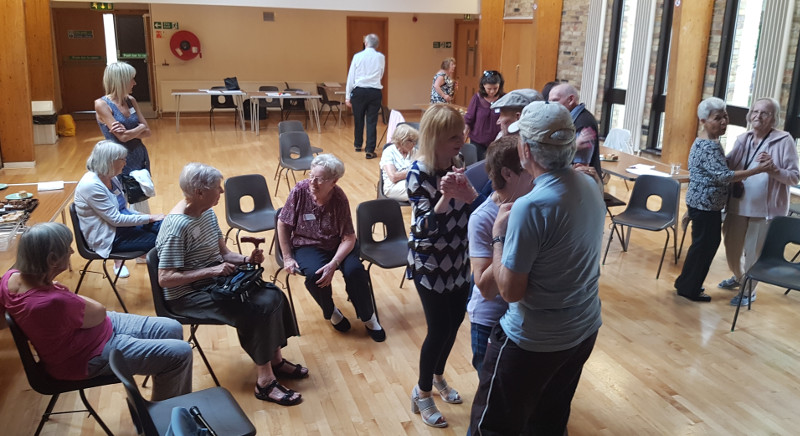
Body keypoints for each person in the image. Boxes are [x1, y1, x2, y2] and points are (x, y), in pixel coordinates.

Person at [469, 101, 605, 435]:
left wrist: (499, 237)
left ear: (525, 150)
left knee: (494, 426)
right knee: (549, 420)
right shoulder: (589, 184)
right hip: (583, 329)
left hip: (533, 341)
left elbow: (509, 291)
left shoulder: (531, 206)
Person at [156, 163, 306, 406]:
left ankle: (276, 361)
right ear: (200, 192)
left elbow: (224, 254)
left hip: (213, 282)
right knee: (255, 309)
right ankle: (265, 383)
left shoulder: (206, 212)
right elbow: (165, 278)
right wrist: (212, 270)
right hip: (187, 295)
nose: (223, 192)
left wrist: (247, 258)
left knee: (273, 294)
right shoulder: (177, 227)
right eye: (218, 188)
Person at [0, 223, 192, 401]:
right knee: (181, 354)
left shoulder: (10, 278)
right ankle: (163, 421)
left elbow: (2, 321)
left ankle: (159, 408)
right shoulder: (52, 300)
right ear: (51, 260)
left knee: (171, 327)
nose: (72, 251)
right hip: (84, 358)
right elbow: (99, 312)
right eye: (67, 249)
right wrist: (61, 290)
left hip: (94, 333)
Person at [407, 104, 480, 428]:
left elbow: (472, 212)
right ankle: (421, 393)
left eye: (461, 135)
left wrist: (467, 195)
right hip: (430, 263)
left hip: (458, 260)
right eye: (453, 137)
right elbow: (423, 226)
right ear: (435, 138)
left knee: (454, 324)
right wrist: (446, 197)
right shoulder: (418, 173)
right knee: (438, 329)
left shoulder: (458, 163)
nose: (461, 142)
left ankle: (437, 376)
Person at [277, 154, 385, 342]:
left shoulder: (339, 198)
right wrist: (287, 257)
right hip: (307, 243)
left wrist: (334, 263)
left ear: (333, 181)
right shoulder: (300, 191)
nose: (313, 181)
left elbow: (349, 237)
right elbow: (283, 223)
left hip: (338, 243)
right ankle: (331, 311)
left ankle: (368, 317)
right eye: (311, 175)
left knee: (355, 271)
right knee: (315, 275)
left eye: (319, 179)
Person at [674, 98, 773, 302]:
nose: (723, 122)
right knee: (705, 245)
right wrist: (758, 170)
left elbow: (719, 169)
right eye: (717, 118)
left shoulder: (710, 142)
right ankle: (689, 288)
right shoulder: (708, 146)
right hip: (705, 205)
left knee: (702, 245)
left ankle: (685, 283)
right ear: (703, 120)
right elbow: (724, 176)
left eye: (725, 116)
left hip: (703, 203)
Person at [720, 97, 800, 306]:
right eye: (755, 112)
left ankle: (748, 290)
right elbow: (728, 163)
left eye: (764, 113)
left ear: (774, 118)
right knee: (731, 248)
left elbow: (793, 176)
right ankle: (740, 278)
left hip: (764, 210)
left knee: (753, 253)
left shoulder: (784, 140)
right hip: (737, 203)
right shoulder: (743, 138)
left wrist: (774, 170)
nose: (758, 116)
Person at [467, 135, 533, 374]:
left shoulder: (530, 204)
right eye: (529, 171)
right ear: (507, 174)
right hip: (490, 320)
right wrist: (501, 237)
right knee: (491, 394)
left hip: (523, 318)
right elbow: (485, 289)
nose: (537, 178)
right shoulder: (483, 218)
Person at [74, 140, 164, 279]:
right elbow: (115, 219)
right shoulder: (91, 185)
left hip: (123, 227)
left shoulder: (112, 178)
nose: (125, 163)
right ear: (110, 162)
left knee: (166, 228)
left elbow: (122, 209)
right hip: (109, 237)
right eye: (122, 159)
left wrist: (145, 218)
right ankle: (168, 281)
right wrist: (150, 218)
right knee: (161, 242)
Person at [95, 62, 153, 213]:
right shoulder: (102, 104)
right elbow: (123, 138)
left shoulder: (131, 100)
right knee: (121, 199)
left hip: (138, 155)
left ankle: (142, 227)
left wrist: (135, 130)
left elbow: (147, 131)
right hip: (118, 159)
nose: (134, 83)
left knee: (139, 197)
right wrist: (139, 128)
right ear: (121, 81)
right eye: (131, 79)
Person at [548, 82, 603, 178]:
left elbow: (582, 170)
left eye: (555, 100)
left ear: (571, 100)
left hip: (581, 186)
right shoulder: (568, 119)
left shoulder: (583, 124)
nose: (550, 105)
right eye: (549, 101)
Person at [345, 33, 385, 160]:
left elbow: (351, 76)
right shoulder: (381, 57)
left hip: (359, 91)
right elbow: (381, 73)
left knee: (358, 118)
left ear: (365, 43)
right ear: (377, 45)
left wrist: (347, 96)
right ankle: (369, 149)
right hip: (375, 91)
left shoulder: (358, 56)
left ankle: (358, 144)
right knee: (372, 121)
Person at [464, 70, 505, 160]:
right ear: (483, 86)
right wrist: (463, 136)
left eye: (495, 88)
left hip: (497, 143)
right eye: (489, 89)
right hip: (478, 142)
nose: (492, 91)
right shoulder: (477, 98)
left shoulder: (504, 99)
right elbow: (468, 119)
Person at [380, 123, 419, 201]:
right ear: (402, 141)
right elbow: (393, 177)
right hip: (393, 187)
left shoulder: (414, 151)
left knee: (428, 187)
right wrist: (414, 171)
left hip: (411, 183)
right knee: (422, 191)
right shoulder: (389, 151)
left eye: (415, 141)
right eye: (411, 141)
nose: (414, 144)